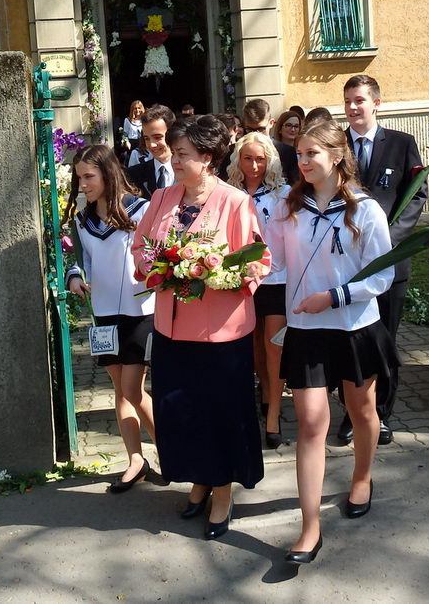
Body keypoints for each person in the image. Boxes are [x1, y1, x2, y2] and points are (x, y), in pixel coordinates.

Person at [132, 114, 269, 541]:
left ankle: (222, 491)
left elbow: (258, 259)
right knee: (182, 412)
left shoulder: (235, 202)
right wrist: (157, 267)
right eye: (174, 154)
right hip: (172, 329)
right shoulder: (162, 198)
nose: (174, 160)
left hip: (219, 332)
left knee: (219, 414)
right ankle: (200, 480)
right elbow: (140, 247)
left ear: (207, 158)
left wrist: (220, 274)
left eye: (183, 154)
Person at [265, 119, 395, 564]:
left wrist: (334, 297)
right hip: (306, 330)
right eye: (299, 154)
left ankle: (362, 477)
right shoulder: (288, 206)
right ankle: (309, 528)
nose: (302, 162)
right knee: (310, 424)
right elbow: (272, 259)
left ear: (337, 156)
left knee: (362, 411)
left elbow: (382, 274)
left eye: (311, 154)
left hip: (354, 326)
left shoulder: (366, 210)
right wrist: (241, 266)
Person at [338, 74, 427, 446]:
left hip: (390, 262)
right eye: (348, 101)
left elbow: (416, 195)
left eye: (359, 100)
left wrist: (388, 241)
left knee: (384, 341)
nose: (353, 107)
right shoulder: (335, 143)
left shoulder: (402, 144)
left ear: (376, 103)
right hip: (345, 263)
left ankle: (381, 414)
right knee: (350, 342)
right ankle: (351, 413)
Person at [64, 145, 156, 493]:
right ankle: (135, 460)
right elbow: (80, 260)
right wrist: (75, 277)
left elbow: (155, 253)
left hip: (140, 311)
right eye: (79, 178)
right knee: (120, 391)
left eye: (89, 176)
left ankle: (173, 451)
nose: (83, 184)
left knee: (133, 389)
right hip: (103, 315)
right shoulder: (82, 219)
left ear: (107, 173)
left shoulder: (141, 209)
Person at [225, 132, 290, 449]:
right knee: (254, 348)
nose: (253, 166)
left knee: (274, 347)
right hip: (242, 280)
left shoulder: (283, 194)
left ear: (270, 161)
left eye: (260, 159)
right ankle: (264, 395)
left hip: (277, 280)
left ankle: (274, 413)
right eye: (247, 158)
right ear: (238, 159)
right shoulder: (228, 193)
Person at [242, 98, 299, 184]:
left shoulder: (286, 152)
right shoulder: (234, 152)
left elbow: (294, 185)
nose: (255, 134)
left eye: (261, 129)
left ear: (271, 123)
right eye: (250, 130)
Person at [127, 104, 176, 197]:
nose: (151, 145)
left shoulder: (188, 172)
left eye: (157, 137)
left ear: (172, 134)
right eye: (147, 138)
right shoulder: (133, 175)